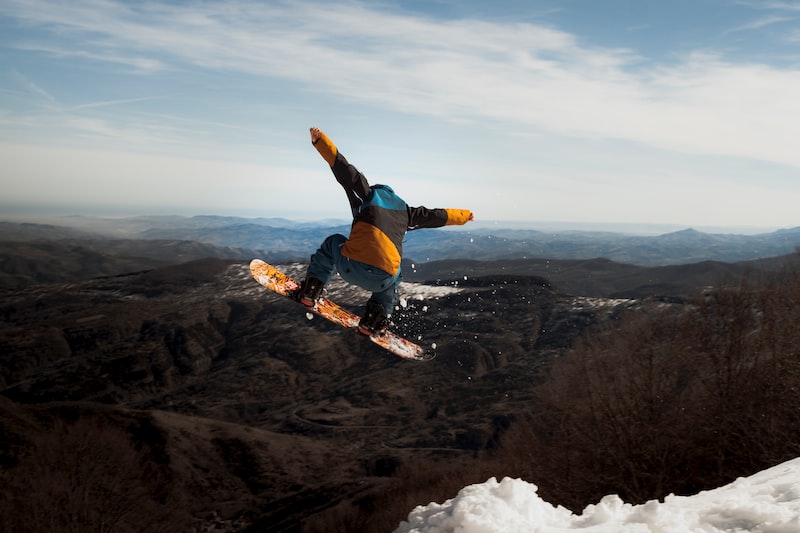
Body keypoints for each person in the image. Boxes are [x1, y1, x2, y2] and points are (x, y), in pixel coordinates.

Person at [299, 127, 475, 335]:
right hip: (381, 280)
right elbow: (435, 216)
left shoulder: (367, 195)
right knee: (396, 274)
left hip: (350, 267)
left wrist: (320, 141)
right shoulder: (406, 213)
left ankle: (312, 290)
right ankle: (374, 319)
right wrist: (464, 216)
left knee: (333, 242)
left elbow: (344, 170)